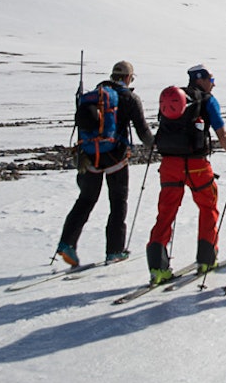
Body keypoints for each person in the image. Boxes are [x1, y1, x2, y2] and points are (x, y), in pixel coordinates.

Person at [145, 64, 226, 285]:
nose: (213, 83)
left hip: (169, 164)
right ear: (201, 79)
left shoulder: (174, 98)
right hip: (197, 165)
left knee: (166, 212)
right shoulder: (207, 100)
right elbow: (221, 131)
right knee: (208, 207)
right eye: (211, 78)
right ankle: (207, 259)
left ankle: (157, 268)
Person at [57, 60, 154, 267]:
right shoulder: (130, 98)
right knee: (118, 203)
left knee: (85, 200)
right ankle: (114, 251)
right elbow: (143, 131)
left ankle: (67, 243)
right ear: (129, 78)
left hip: (88, 156)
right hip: (115, 158)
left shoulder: (94, 94)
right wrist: (158, 146)